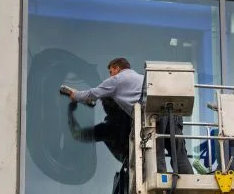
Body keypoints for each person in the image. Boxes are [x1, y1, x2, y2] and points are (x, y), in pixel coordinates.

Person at [62, 57, 193, 174]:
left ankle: (161, 188)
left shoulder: (117, 80)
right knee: (179, 153)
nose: (110, 75)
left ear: (117, 68)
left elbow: (93, 93)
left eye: (110, 72)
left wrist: (75, 95)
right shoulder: (141, 78)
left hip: (155, 115)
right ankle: (189, 183)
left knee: (156, 154)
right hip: (172, 113)